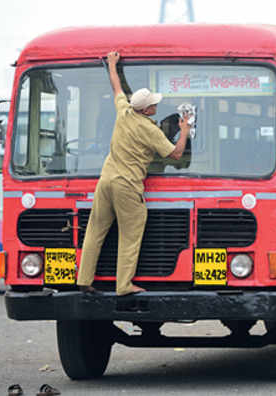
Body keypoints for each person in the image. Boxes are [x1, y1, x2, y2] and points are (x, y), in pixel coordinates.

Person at [77, 51, 191, 295]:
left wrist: (112, 65)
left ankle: (84, 280)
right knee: (130, 234)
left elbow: (117, 87)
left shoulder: (123, 112)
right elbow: (176, 155)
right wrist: (184, 129)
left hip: (105, 180)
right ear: (148, 110)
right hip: (127, 185)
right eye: (154, 104)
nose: (157, 106)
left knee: (95, 230)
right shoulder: (150, 131)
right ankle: (124, 285)